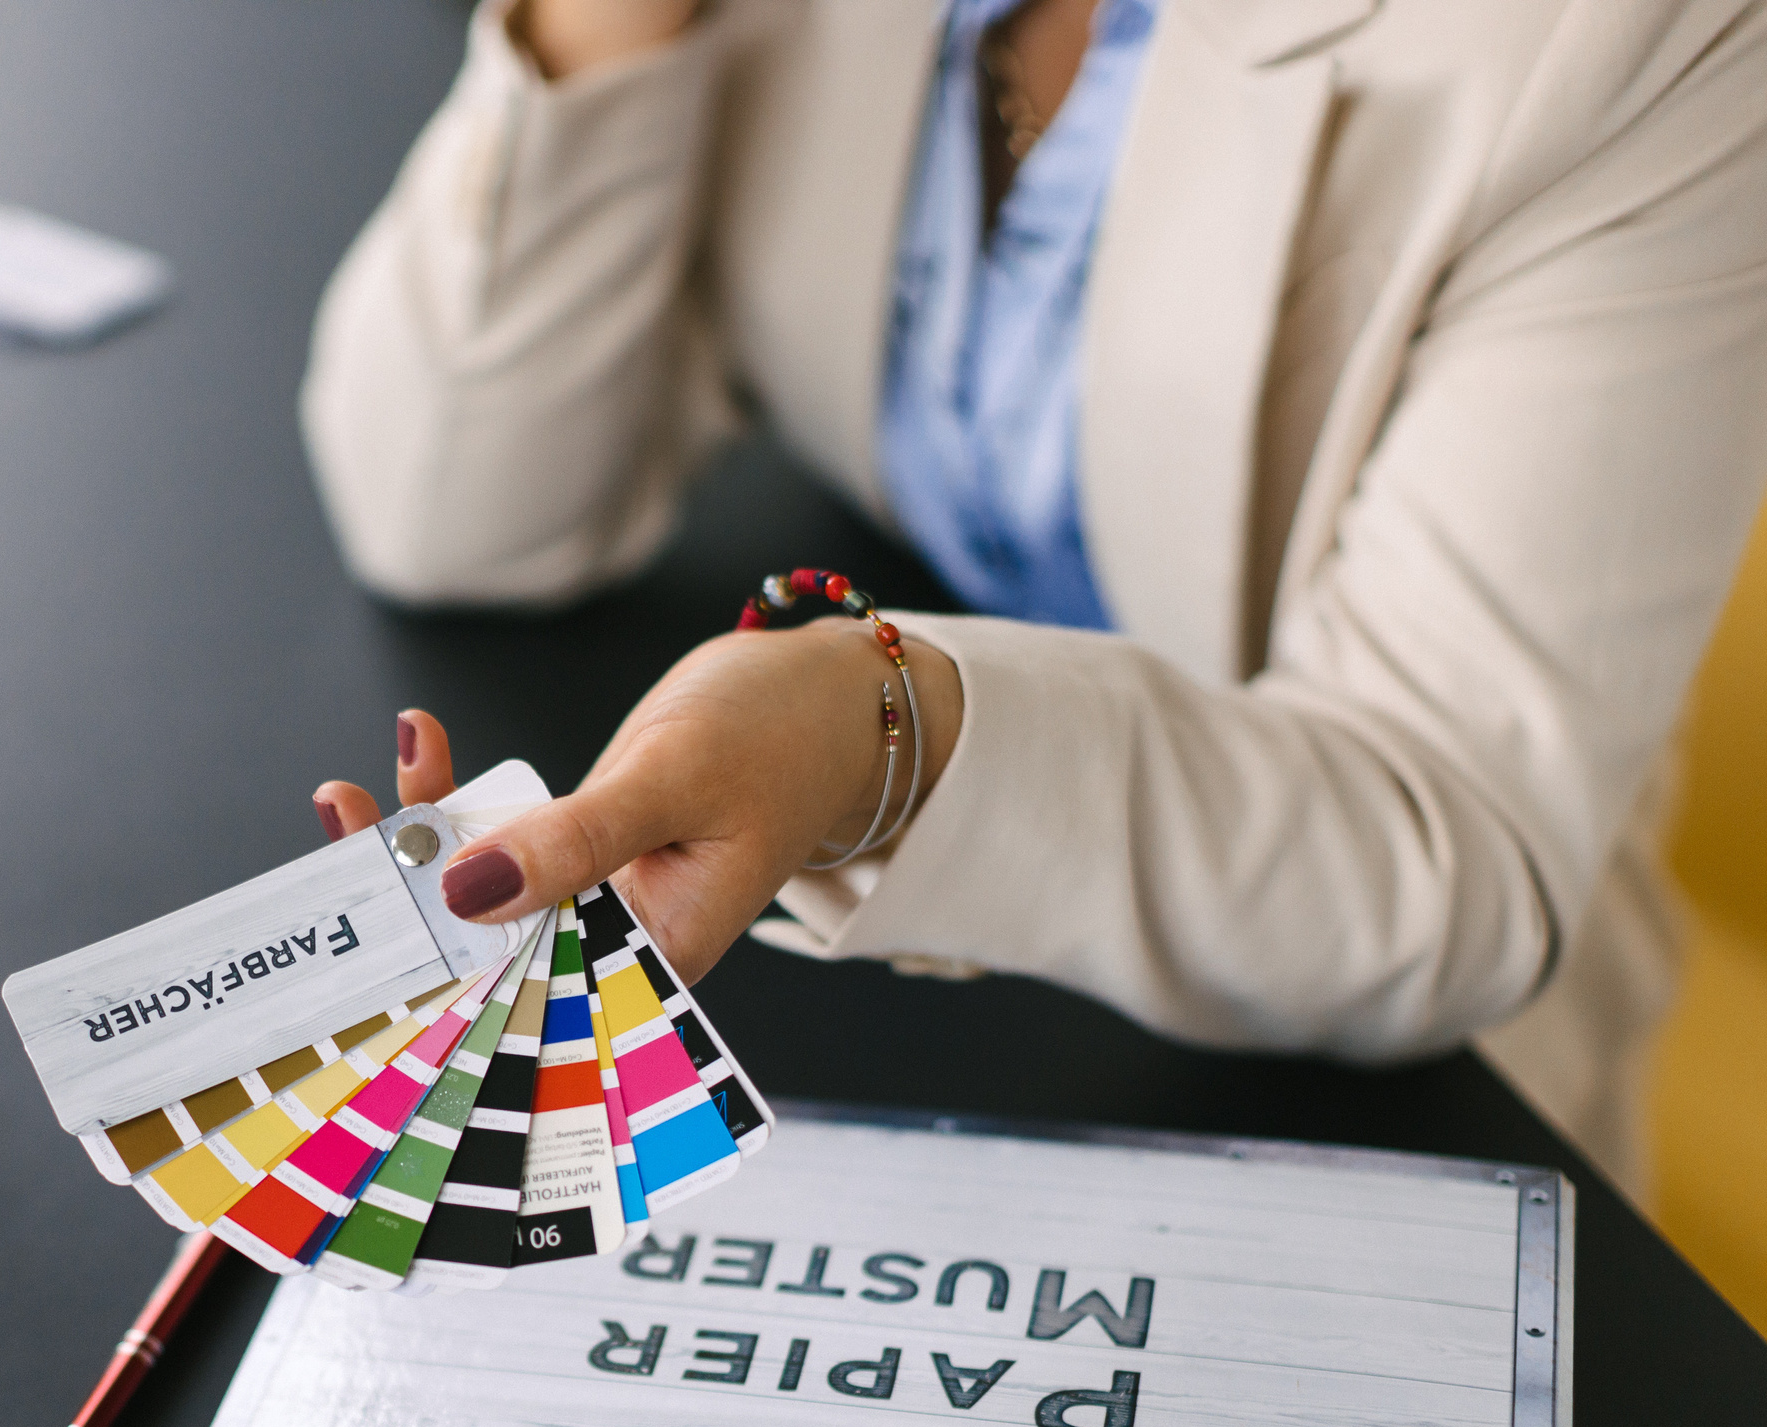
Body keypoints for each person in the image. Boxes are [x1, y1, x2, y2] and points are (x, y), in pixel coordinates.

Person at [299, 0, 1767, 1188]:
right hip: (881, 978)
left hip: (1380, 1058)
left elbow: (1443, 840)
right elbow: (455, 508)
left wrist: (889, 735)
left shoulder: (1635, 37)